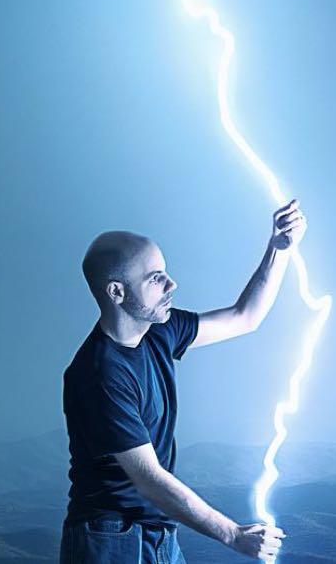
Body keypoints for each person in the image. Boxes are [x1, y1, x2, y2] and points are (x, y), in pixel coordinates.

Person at [59, 199, 308, 564]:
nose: (172, 284)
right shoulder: (99, 374)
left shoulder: (161, 330)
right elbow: (148, 479)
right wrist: (233, 534)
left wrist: (278, 250)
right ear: (117, 292)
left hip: (157, 532)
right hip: (112, 540)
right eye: (155, 278)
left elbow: (245, 316)